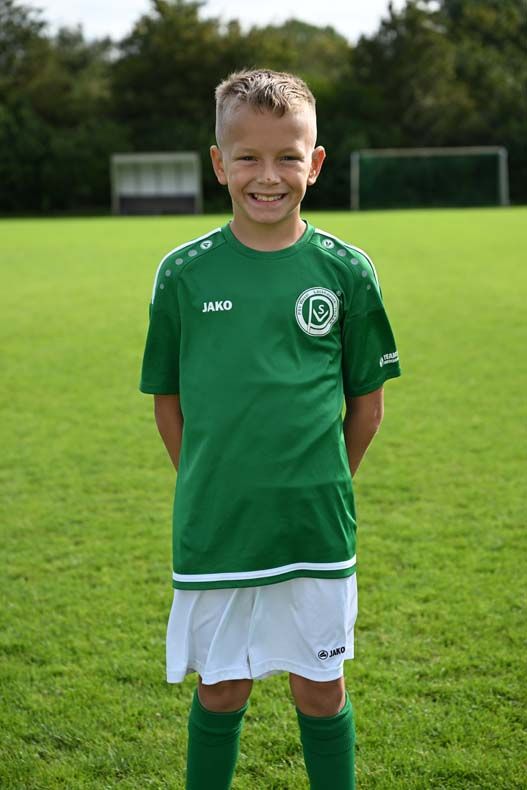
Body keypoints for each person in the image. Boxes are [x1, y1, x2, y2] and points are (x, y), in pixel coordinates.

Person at [140, 69, 401, 790]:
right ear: (218, 163)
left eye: (287, 157)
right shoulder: (182, 274)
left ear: (314, 164)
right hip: (216, 525)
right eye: (247, 157)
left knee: (320, 689)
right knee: (221, 688)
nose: (267, 176)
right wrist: (212, 480)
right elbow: (167, 402)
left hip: (314, 525)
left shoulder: (346, 271)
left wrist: (318, 481)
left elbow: (367, 406)